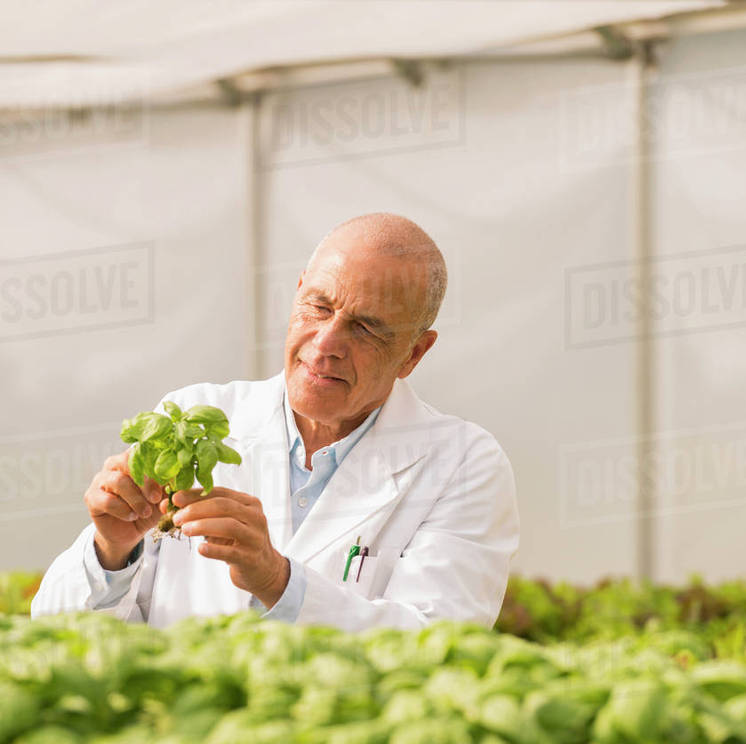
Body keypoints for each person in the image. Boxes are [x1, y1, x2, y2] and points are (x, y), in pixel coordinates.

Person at [31, 213, 519, 631]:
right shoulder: (194, 423)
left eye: (365, 327)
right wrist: (111, 553)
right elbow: (60, 633)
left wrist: (278, 582)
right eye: (319, 307)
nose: (326, 343)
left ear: (414, 352)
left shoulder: (464, 464)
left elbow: (435, 645)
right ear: (298, 293)